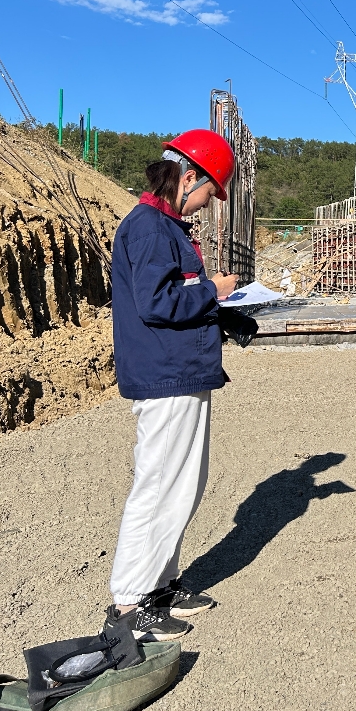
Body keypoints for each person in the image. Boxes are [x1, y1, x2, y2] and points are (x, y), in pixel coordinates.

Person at [105, 130, 239, 642]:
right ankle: (130, 603)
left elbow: (175, 298)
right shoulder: (148, 229)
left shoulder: (166, 226)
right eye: (209, 192)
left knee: (183, 485)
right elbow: (157, 303)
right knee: (159, 486)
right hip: (165, 377)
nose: (208, 203)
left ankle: (159, 586)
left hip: (181, 370)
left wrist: (228, 314)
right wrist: (214, 289)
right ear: (189, 178)